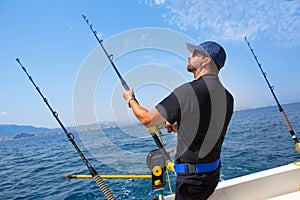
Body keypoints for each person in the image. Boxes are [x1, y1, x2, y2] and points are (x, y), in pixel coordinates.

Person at [123, 41, 234, 200]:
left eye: (195, 54)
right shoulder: (228, 97)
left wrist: (130, 99)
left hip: (192, 182)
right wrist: (179, 127)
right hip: (212, 174)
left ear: (206, 60)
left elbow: (147, 119)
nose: (189, 56)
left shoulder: (188, 92)